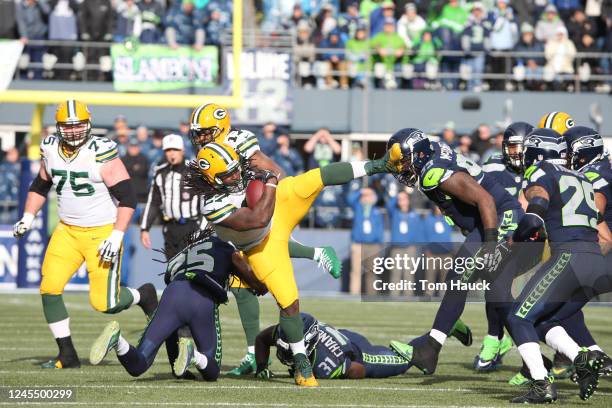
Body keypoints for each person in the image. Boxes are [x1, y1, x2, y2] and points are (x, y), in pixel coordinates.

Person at [186, 140, 399, 386]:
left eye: (236, 168)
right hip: (260, 244)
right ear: (213, 179)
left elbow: (268, 167)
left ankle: (382, 164)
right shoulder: (213, 205)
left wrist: (272, 177)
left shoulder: (237, 160)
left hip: (280, 206)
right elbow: (258, 219)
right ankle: (301, 363)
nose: (236, 174)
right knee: (289, 303)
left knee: (316, 177)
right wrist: (271, 182)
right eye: (228, 173)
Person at [189, 104, 342, 376]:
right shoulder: (206, 156)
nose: (200, 139)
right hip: (235, 218)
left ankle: (315, 254)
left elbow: (276, 173)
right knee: (239, 286)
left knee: (260, 280)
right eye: (197, 134)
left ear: (221, 127)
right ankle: (252, 355)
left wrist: (258, 193)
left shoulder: (238, 142)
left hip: (260, 213)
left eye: (205, 133)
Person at [12, 100, 158, 369]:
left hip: (100, 233)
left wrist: (116, 236)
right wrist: (28, 216)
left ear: (88, 124)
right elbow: (40, 184)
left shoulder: (101, 151)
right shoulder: (50, 147)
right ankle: (67, 354)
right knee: (49, 288)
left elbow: (128, 199)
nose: (74, 130)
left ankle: (143, 295)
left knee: (105, 303)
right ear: (59, 127)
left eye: (79, 124)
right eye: (68, 126)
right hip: (67, 231)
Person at [385, 128, 523, 376]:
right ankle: (539, 362)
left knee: (463, 278)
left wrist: (490, 243)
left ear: (418, 156)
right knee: (482, 290)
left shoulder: (434, 171)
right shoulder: (430, 154)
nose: (400, 168)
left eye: (403, 161)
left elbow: (486, 200)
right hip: (486, 221)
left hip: (498, 217)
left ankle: (431, 348)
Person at [505, 128, 612, 403]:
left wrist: (520, 234)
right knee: (542, 319)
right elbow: (605, 236)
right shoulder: (584, 179)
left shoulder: (541, 172)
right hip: (595, 261)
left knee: (517, 317)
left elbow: (535, 209)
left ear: (538, 153)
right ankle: (582, 357)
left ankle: (542, 383)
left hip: (570, 257)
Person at [89, 229, 266, 380]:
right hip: (202, 299)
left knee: (139, 365)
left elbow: (169, 274)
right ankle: (194, 355)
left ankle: (118, 340)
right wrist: (261, 286)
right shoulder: (228, 246)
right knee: (211, 370)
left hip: (174, 292)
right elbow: (242, 267)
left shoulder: (188, 249)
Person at [255, 312, 413, 380]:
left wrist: (342, 372)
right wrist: (262, 367)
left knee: (404, 361)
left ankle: (422, 345)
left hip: (357, 351)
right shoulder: (284, 330)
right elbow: (261, 339)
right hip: (340, 335)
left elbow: (358, 369)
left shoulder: (326, 362)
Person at [140, 134, 202, 259]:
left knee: (190, 270)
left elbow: (205, 202)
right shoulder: (160, 172)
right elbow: (153, 202)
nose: (172, 153)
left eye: (175, 150)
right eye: (168, 150)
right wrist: (145, 228)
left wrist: (202, 229)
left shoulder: (194, 172)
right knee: (172, 269)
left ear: (182, 150)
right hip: (169, 227)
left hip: (191, 226)